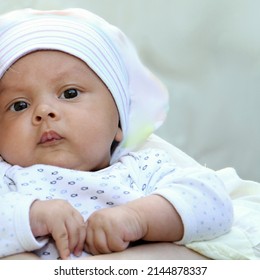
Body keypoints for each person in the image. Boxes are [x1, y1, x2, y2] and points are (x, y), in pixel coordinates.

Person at [0, 8, 233, 260]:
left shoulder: (141, 168)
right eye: (19, 105)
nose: (44, 111)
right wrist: (29, 216)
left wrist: (138, 217)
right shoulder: (8, 180)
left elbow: (212, 201)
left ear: (119, 123)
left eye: (69, 93)